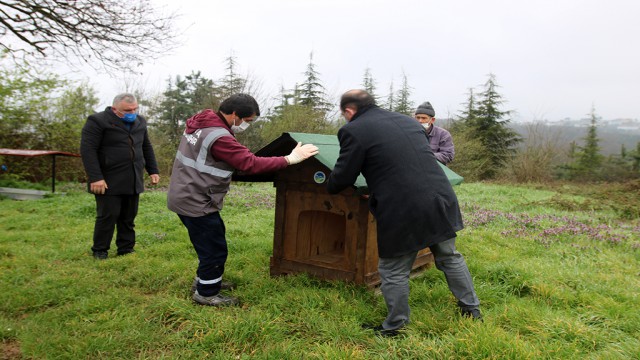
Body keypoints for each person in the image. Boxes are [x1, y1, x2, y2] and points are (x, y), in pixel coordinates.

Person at [327, 90, 481, 337]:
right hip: (440, 196)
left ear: (349, 111)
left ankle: (396, 326)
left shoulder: (353, 130)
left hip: (404, 206)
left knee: (393, 269)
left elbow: (344, 175)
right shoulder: (408, 121)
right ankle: (472, 309)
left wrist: (328, 182)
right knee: (449, 257)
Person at [167, 93, 319, 307]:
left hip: (185, 193)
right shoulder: (219, 137)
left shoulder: (201, 123)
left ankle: (205, 281)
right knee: (214, 248)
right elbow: (250, 164)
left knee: (208, 243)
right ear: (235, 114)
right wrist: (290, 159)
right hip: (196, 199)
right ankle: (207, 293)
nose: (247, 125)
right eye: (247, 121)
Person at [80, 93, 160, 260]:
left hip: (133, 178)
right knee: (107, 216)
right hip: (108, 179)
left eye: (134, 109)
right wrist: (96, 177)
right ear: (115, 109)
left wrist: (153, 170)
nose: (132, 113)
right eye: (127, 110)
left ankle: (126, 248)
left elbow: (146, 147)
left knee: (128, 217)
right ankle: (100, 250)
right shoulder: (97, 121)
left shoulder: (140, 122)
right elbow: (88, 151)